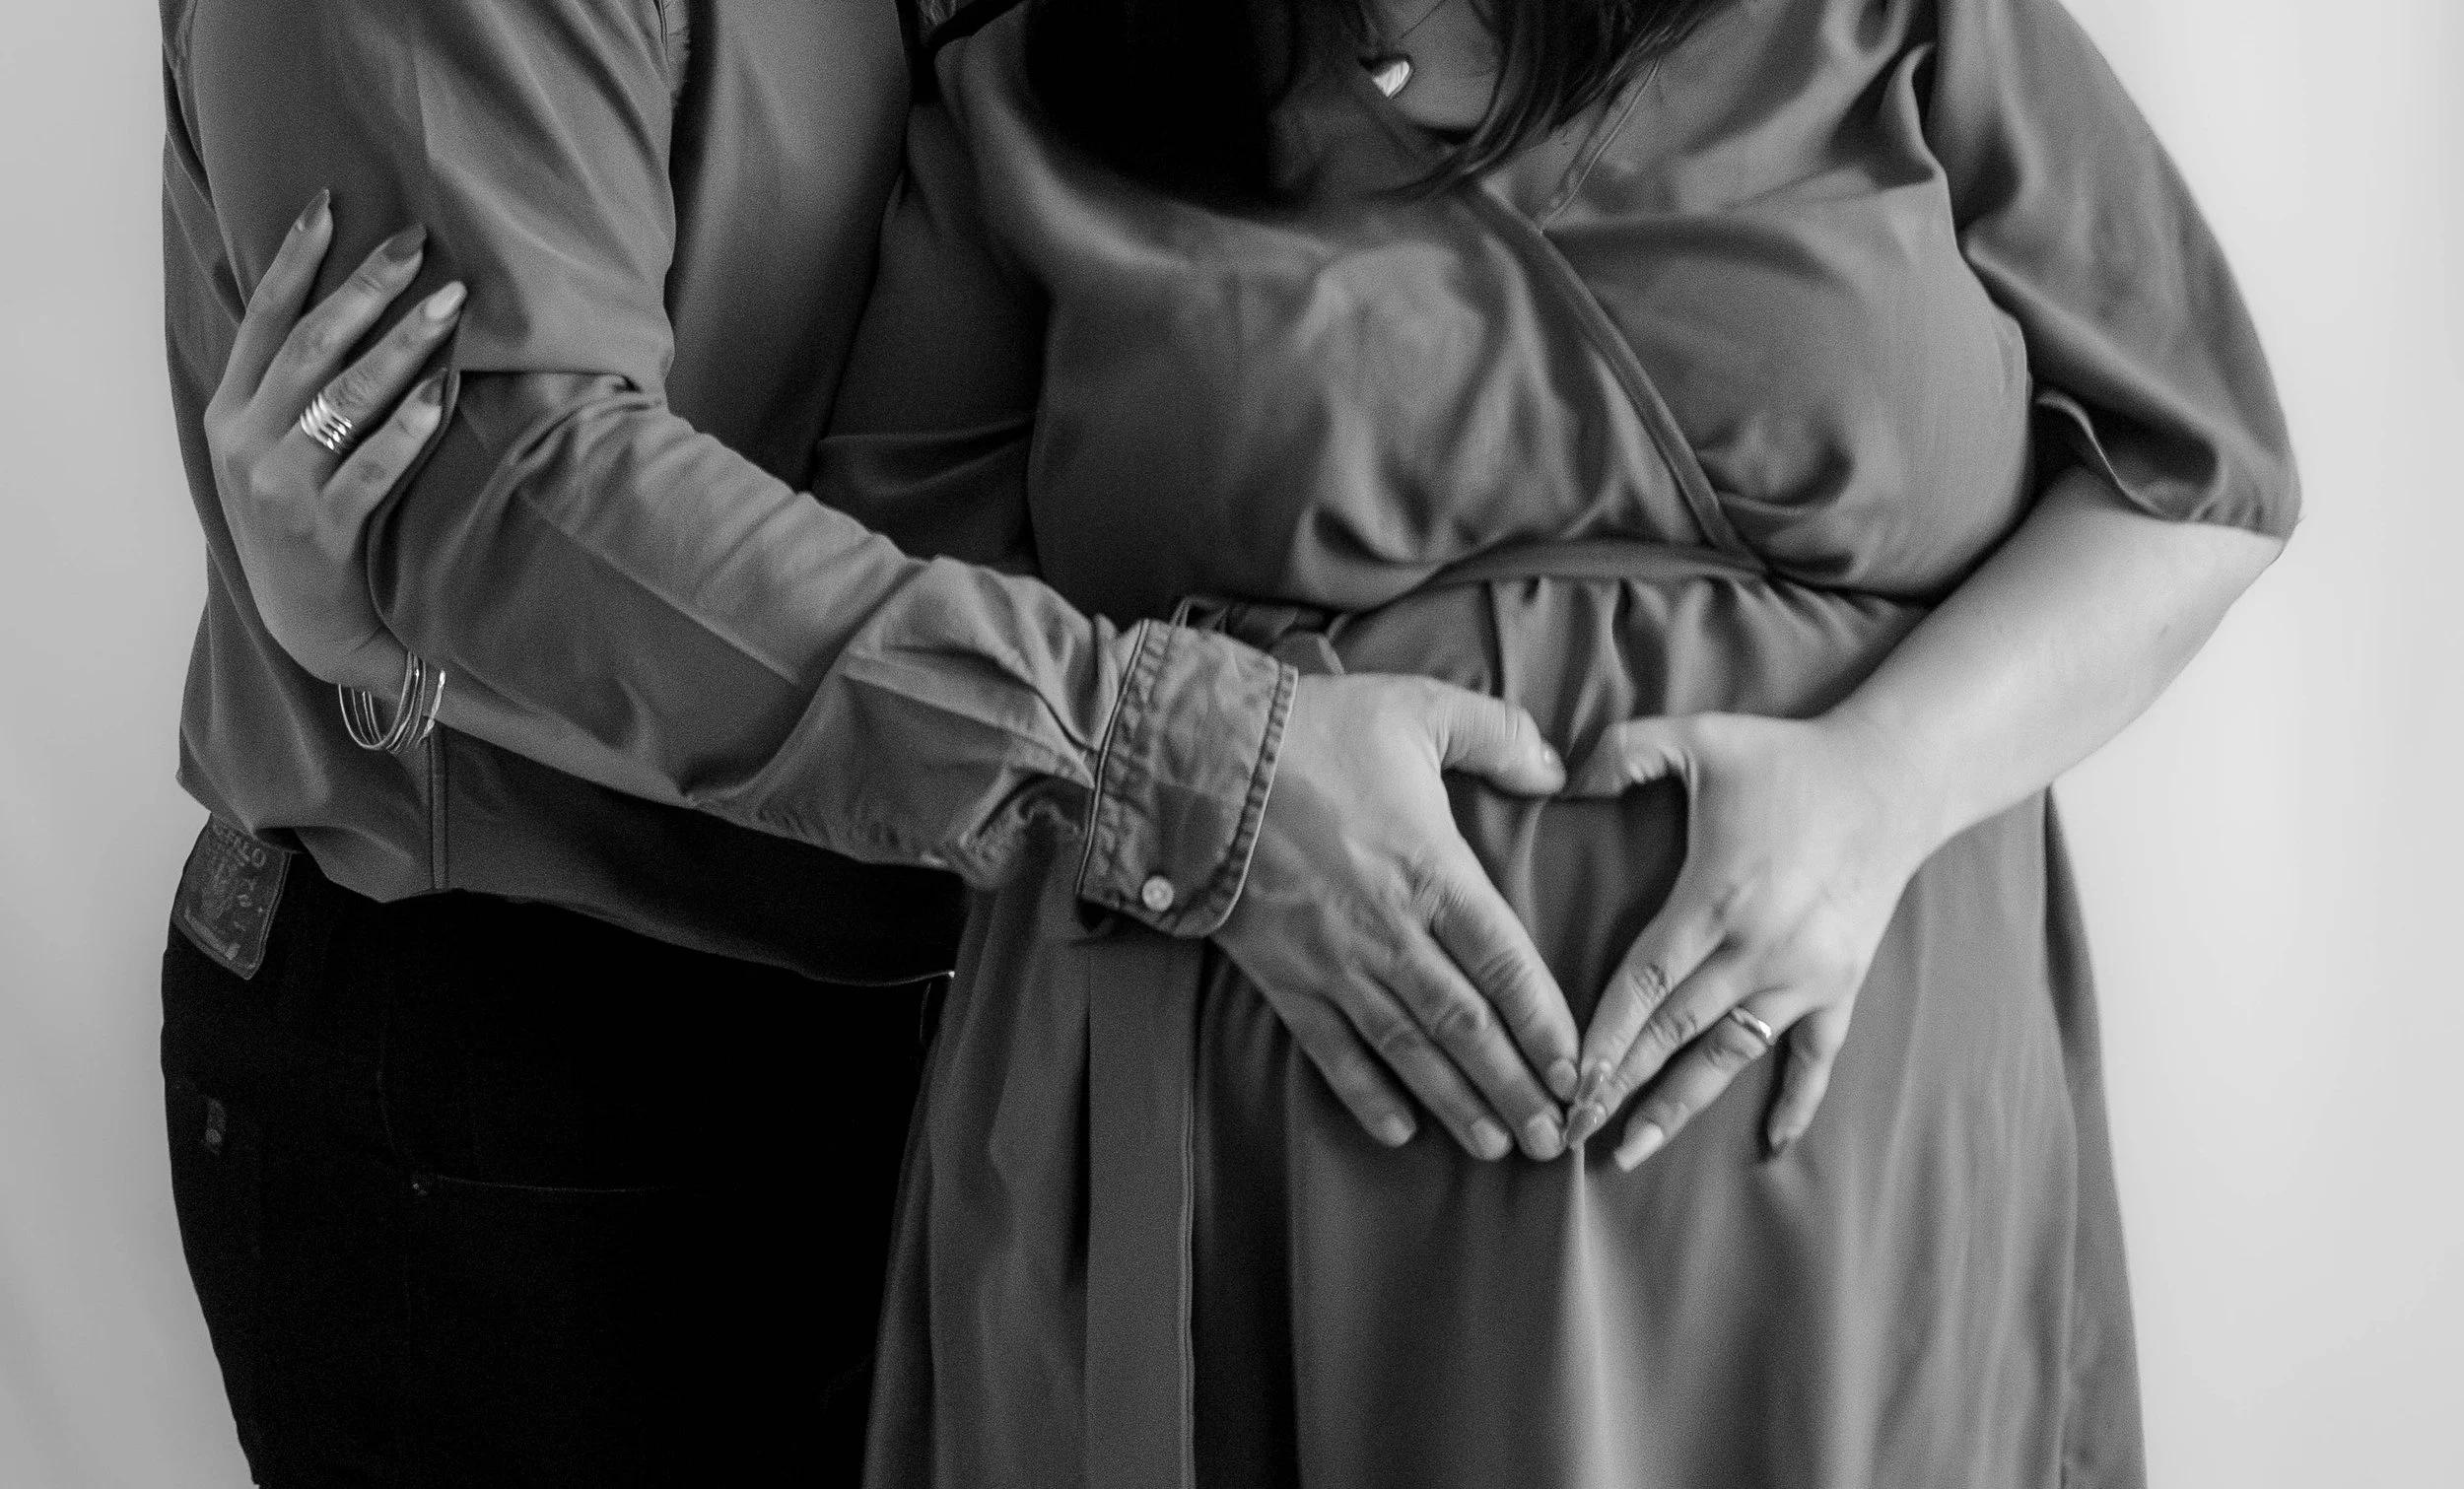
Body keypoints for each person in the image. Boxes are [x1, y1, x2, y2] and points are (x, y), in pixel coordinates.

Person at [209, 0, 2297, 1485]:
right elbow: (656, 532)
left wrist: (1880, 789)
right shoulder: (1044, 86)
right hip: (804, 1117)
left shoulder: (1890, 14)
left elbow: (2191, 471)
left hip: (1836, 1227)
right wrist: (393, 645)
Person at [156, 1, 1601, 1483]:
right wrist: (1168, 761)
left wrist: (1862, 762)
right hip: (535, 1045)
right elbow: (513, 502)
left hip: (989, 1003)